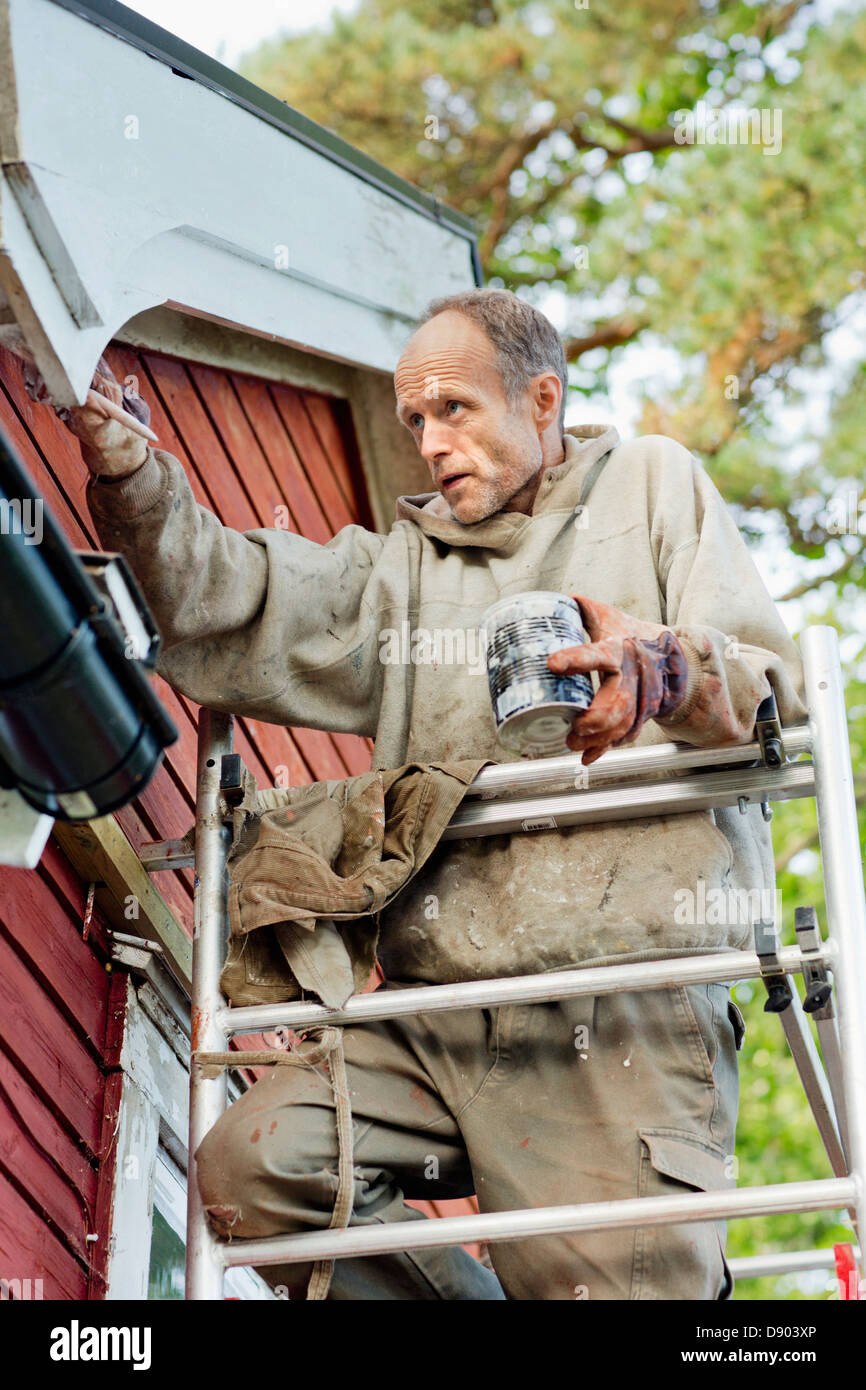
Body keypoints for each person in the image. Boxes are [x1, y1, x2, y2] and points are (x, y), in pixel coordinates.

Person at [65, 288, 807, 1300]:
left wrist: (662, 670)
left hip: (620, 994)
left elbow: (774, 688)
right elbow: (233, 593)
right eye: (414, 419)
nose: (428, 440)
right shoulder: (405, 570)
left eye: (454, 408)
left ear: (541, 400)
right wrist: (133, 472)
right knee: (255, 1167)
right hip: (438, 1003)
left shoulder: (648, 484)